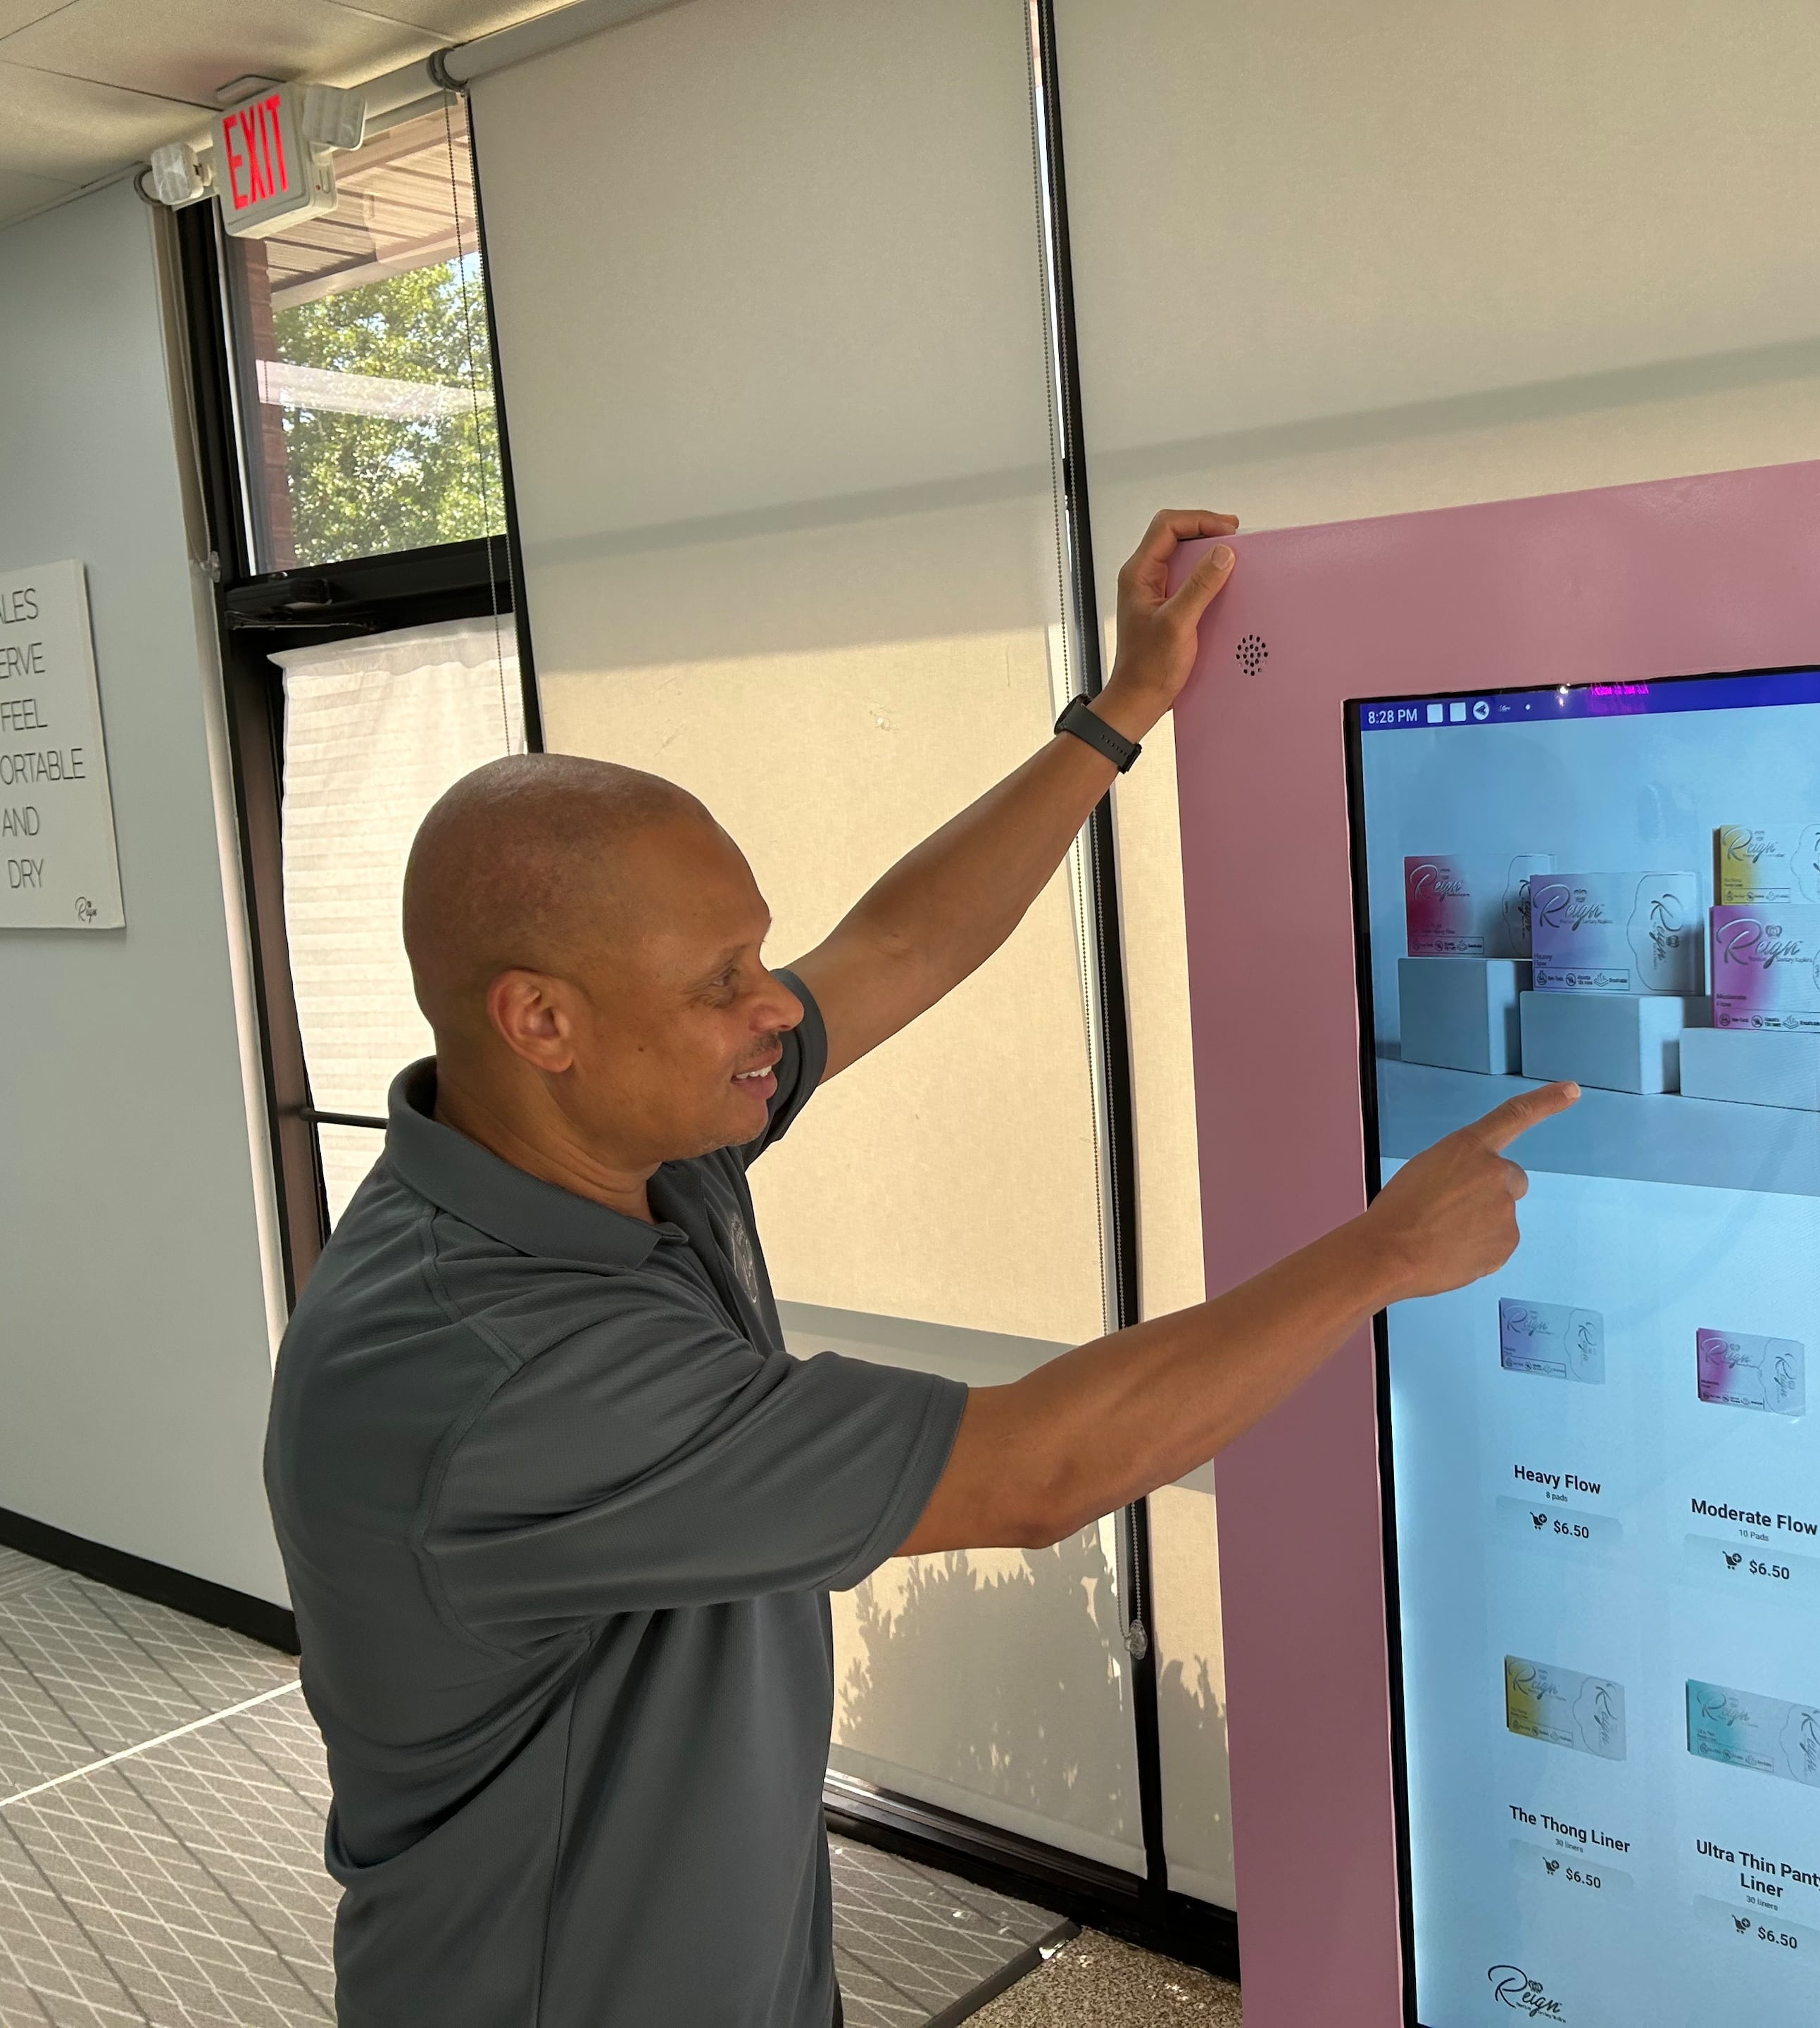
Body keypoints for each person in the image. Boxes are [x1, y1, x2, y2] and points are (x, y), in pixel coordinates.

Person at [262, 507, 1577, 2027]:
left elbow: (893, 948)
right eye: (721, 982)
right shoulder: (491, 1370)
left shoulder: (618, 1144)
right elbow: (1032, 1472)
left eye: (753, 953)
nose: (771, 1006)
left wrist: (1117, 713)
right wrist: (1380, 1255)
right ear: (541, 1022)